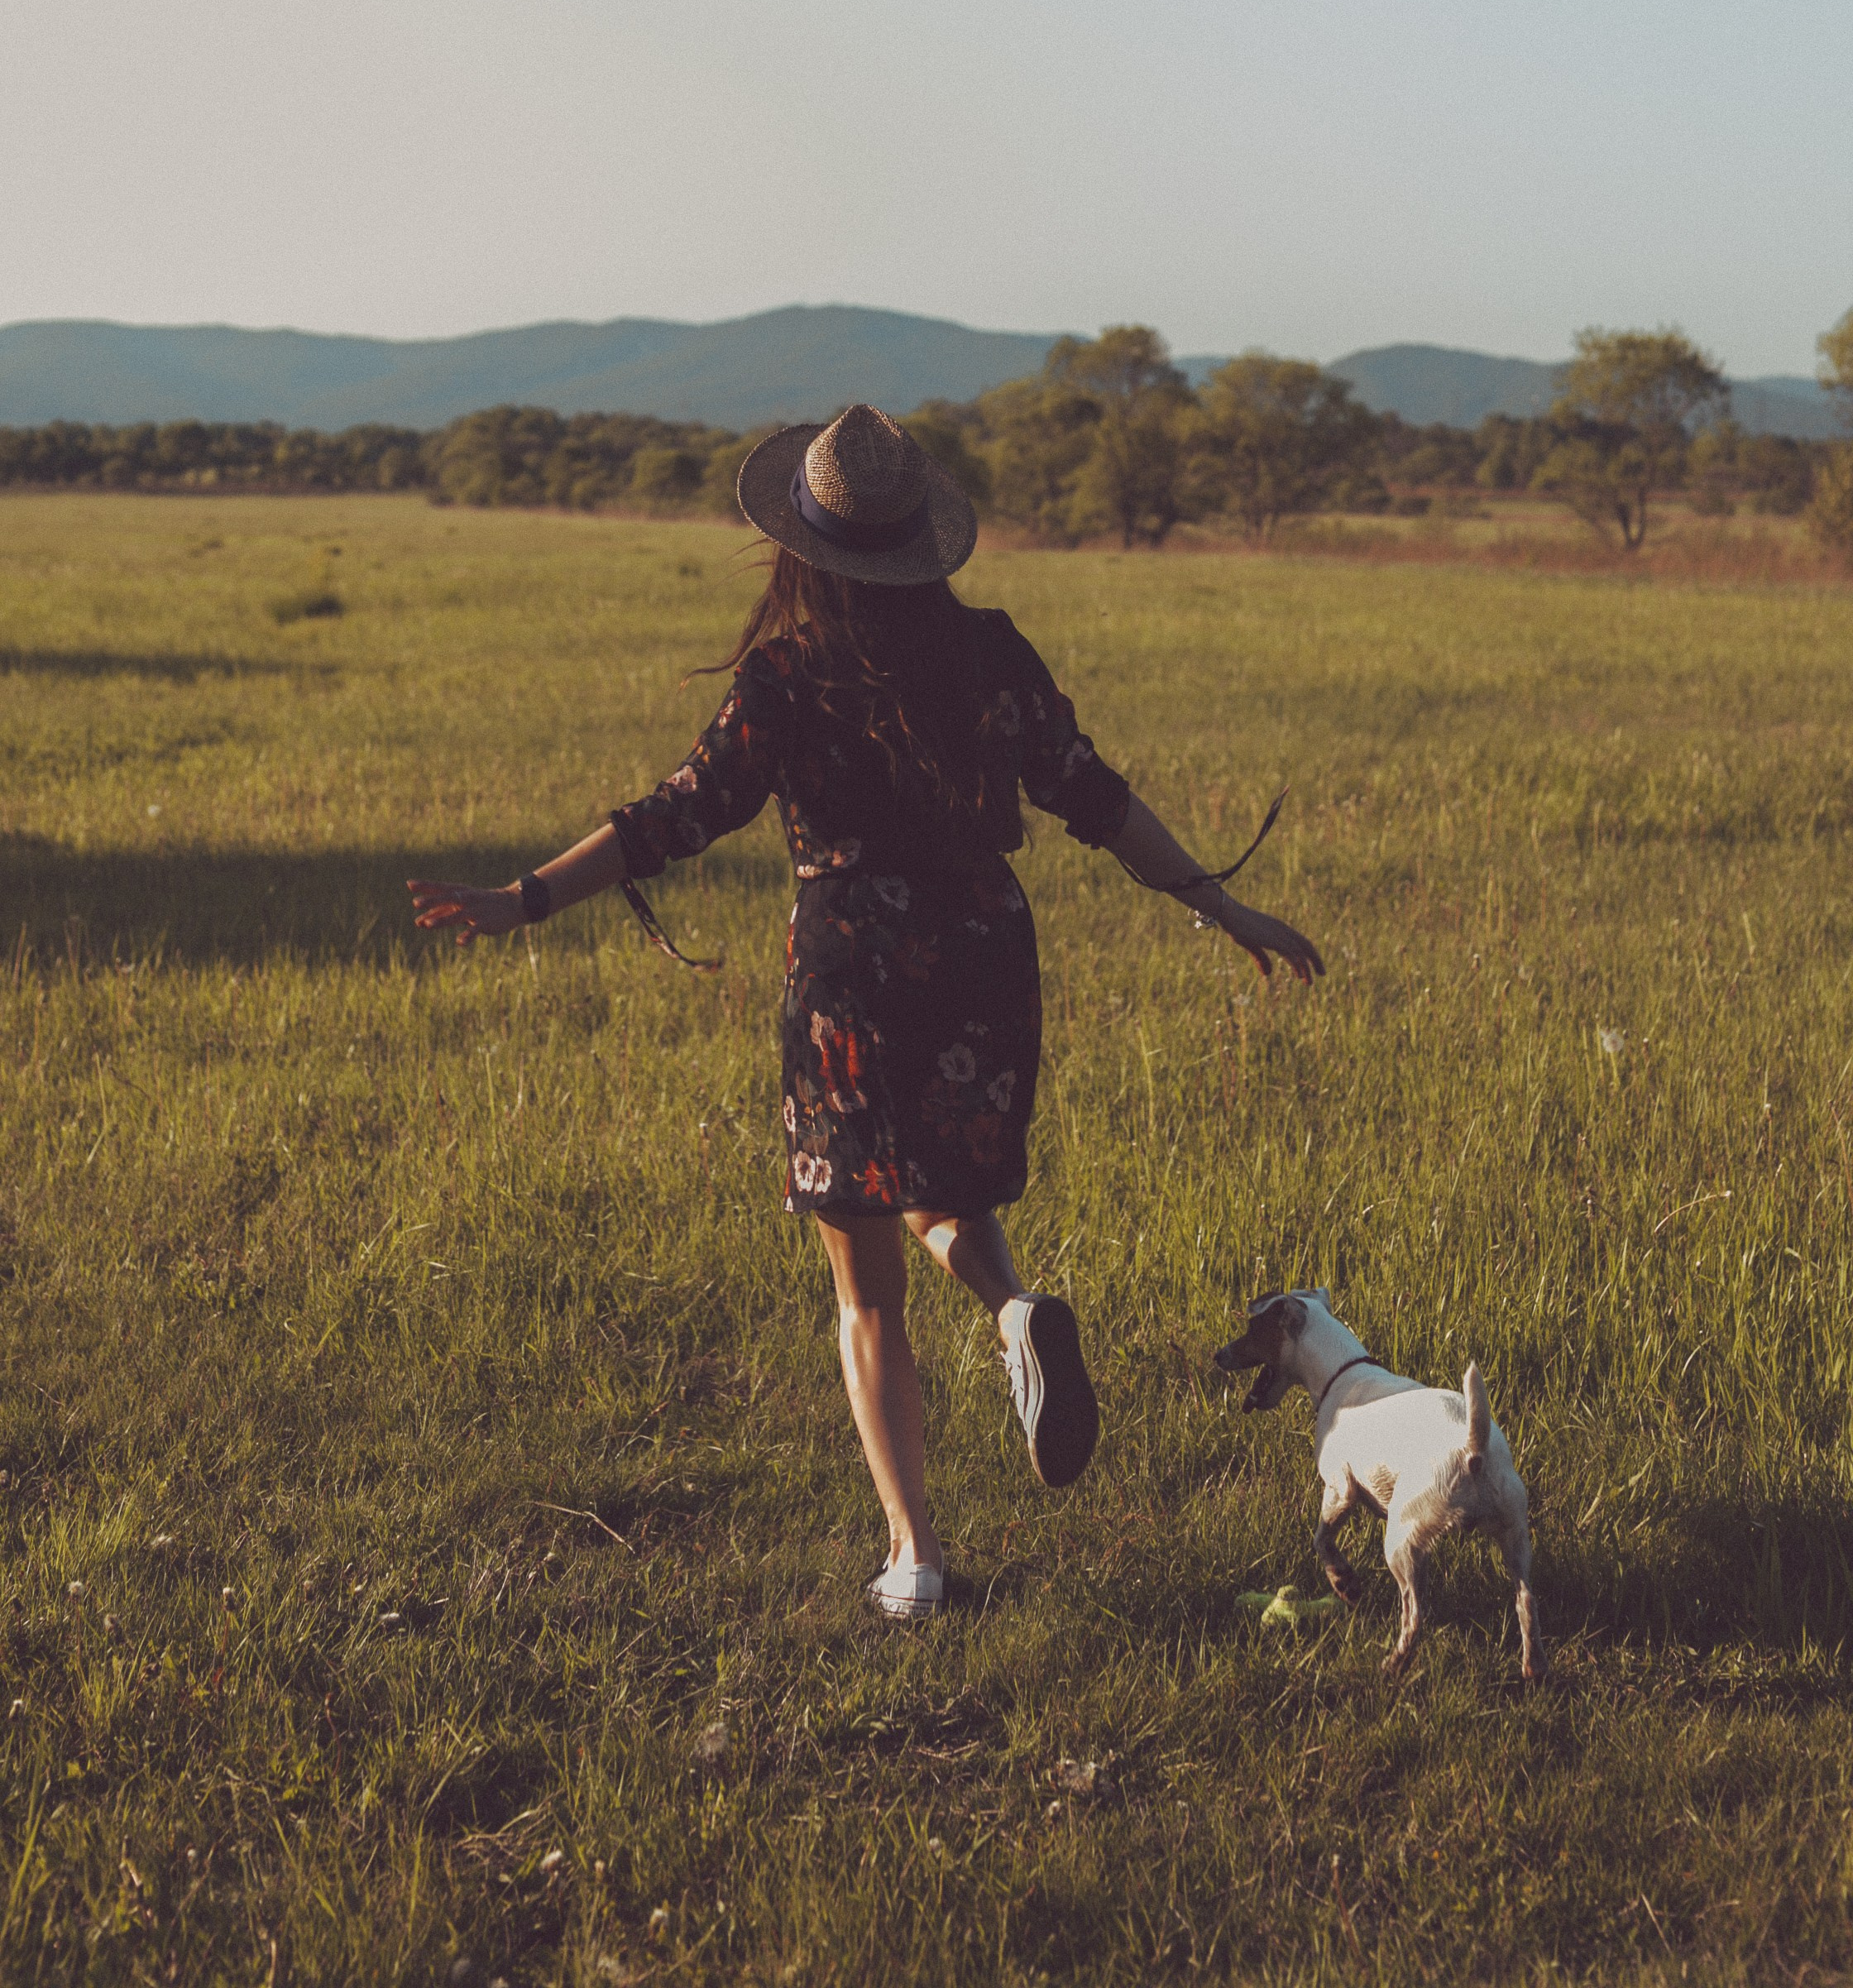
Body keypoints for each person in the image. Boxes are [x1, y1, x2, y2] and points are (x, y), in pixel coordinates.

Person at [408, 404, 1322, 1621]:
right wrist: (1224, 904)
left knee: (866, 1284)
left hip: (852, 967)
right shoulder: (990, 653)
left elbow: (674, 815)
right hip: (985, 951)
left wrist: (523, 899)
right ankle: (1014, 1313)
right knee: (944, 1188)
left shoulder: (788, 676)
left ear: (802, 544)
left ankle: (915, 1556)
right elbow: (1096, 798)